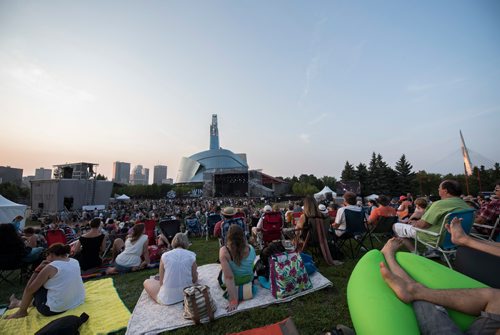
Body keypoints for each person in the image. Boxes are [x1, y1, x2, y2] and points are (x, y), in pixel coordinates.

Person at [379, 220, 500, 335]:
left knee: (398, 226)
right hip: (444, 236)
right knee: (497, 297)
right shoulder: (467, 207)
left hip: (434, 237)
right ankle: (464, 240)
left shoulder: (440, 206)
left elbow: (421, 224)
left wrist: (413, 220)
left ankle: (392, 258)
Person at [7, 243, 85, 319]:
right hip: (76, 301)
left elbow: (29, 289)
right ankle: (17, 303)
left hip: (53, 309)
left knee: (36, 287)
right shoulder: (74, 261)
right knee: (50, 287)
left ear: (50, 255)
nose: (45, 258)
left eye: (46, 255)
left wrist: (37, 270)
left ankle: (21, 312)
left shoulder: (51, 267)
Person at [392, 180, 470, 251]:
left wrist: (413, 223)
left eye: (439, 188)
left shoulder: (439, 204)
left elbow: (422, 225)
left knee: (396, 226)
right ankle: (433, 251)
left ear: (445, 191)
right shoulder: (466, 205)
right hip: (457, 238)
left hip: (435, 238)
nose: (438, 189)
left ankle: (415, 252)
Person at [143, 233, 198, 305]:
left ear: (173, 242)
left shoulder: (165, 256)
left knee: (147, 281)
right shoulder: (191, 255)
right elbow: (194, 279)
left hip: (167, 298)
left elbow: (161, 283)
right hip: (187, 294)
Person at [219, 224, 256, 312]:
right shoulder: (250, 248)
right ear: (243, 235)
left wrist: (233, 301)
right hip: (249, 279)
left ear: (228, 236)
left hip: (234, 282)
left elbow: (229, 277)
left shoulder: (224, 251)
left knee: (222, 271)